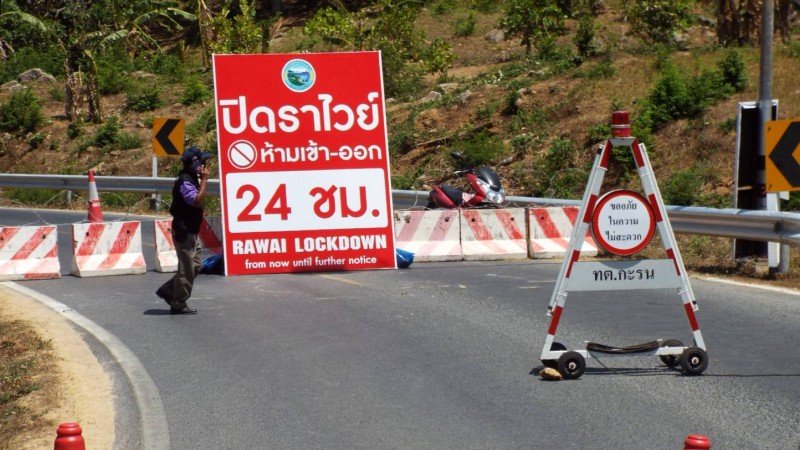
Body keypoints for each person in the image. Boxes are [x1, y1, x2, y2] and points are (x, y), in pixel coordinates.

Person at [156, 146, 212, 315]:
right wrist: (204, 180)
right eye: (202, 162)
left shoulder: (191, 178)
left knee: (195, 266)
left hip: (191, 230)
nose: (205, 164)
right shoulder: (186, 180)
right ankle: (178, 301)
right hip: (184, 230)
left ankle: (168, 290)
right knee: (187, 268)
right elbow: (195, 200)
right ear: (195, 164)